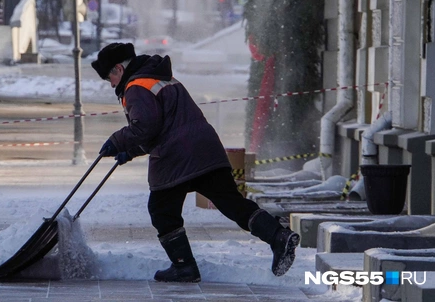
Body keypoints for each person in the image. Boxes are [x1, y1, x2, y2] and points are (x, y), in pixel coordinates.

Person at [91, 42, 300, 283]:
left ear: (119, 68)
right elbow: (162, 125)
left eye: (110, 77)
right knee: (232, 203)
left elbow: (146, 127)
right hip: (205, 150)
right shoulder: (159, 77)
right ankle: (278, 237)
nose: (112, 84)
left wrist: (117, 141)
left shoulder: (136, 86)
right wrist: (131, 150)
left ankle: (184, 266)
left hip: (177, 157)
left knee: (162, 210)